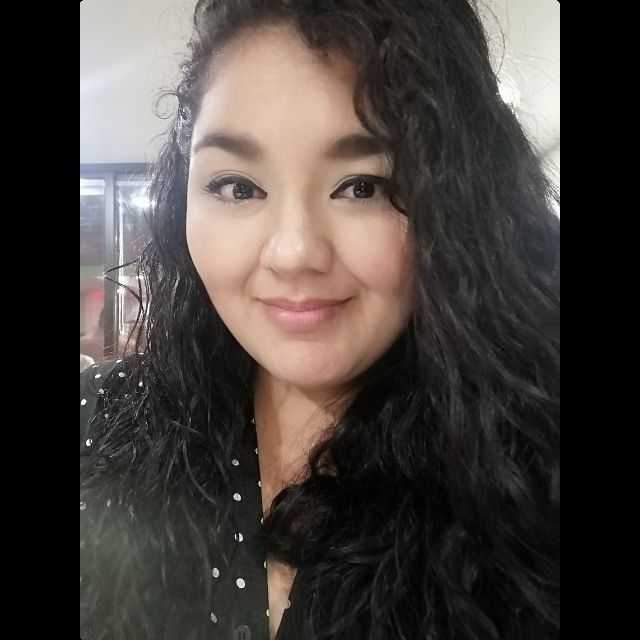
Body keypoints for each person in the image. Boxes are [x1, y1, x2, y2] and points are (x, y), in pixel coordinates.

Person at [80, 1, 560, 639]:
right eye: (238, 187)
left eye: (362, 186)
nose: (294, 253)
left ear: (457, 206)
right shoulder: (98, 424)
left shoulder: (532, 480)